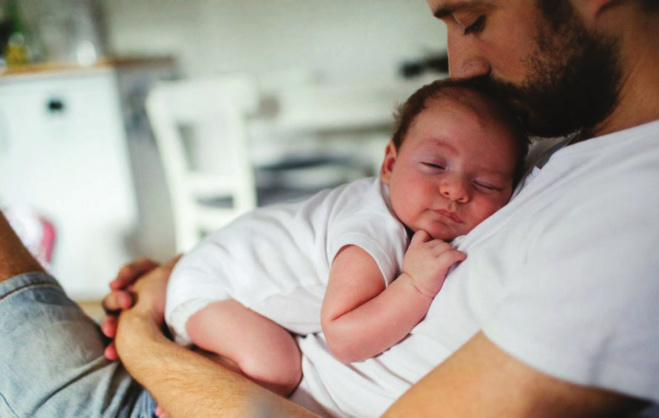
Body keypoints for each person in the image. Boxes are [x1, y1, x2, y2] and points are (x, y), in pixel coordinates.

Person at [0, 0, 657, 416]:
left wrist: (144, 335)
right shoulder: (552, 144)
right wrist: (187, 275)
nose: (463, 66)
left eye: (472, 18)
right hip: (225, 363)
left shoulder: (634, 211)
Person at [162, 78, 527, 397]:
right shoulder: (372, 231)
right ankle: (187, 378)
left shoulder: (399, 212)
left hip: (220, 264)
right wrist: (415, 286)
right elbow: (344, 339)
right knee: (278, 367)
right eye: (435, 165)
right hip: (210, 287)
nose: (456, 190)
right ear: (389, 165)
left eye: (486, 184)